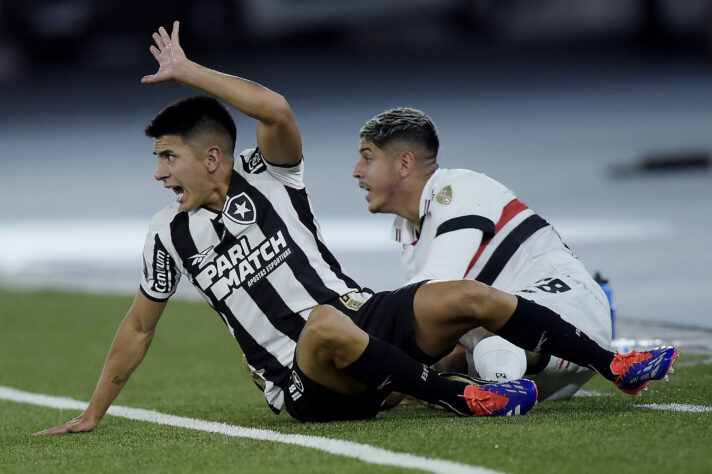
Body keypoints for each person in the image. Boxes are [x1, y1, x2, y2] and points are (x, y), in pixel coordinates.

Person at [36, 22, 676, 434]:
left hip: (364, 321)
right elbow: (139, 325)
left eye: (166, 156)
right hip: (301, 378)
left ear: (212, 158)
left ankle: (611, 363)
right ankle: (458, 397)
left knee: (465, 295)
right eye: (155, 160)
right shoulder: (166, 236)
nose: (158, 174)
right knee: (321, 323)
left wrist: (189, 71)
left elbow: (277, 109)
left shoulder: (270, 178)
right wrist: (94, 413)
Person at [350, 107, 669, 401]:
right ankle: (500, 389)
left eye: (368, 158)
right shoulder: (409, 238)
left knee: (460, 317)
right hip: (521, 364)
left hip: (570, 312)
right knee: (424, 362)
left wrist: (357, 323)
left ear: (404, 163)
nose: (356, 171)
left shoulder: (457, 188)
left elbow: (438, 285)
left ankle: (605, 366)